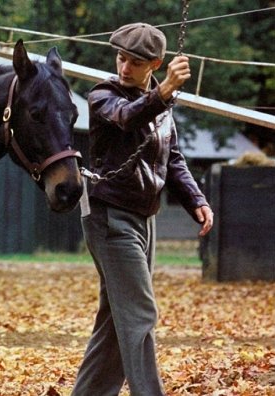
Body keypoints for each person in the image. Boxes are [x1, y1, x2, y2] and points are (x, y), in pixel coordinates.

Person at [73, 22, 214, 395]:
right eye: (120, 58)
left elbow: (174, 158)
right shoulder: (103, 95)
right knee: (139, 315)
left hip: (143, 218)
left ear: (155, 63)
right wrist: (165, 91)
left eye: (135, 62)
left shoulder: (161, 103)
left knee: (115, 320)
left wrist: (196, 200)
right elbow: (127, 117)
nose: (124, 68)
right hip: (109, 217)